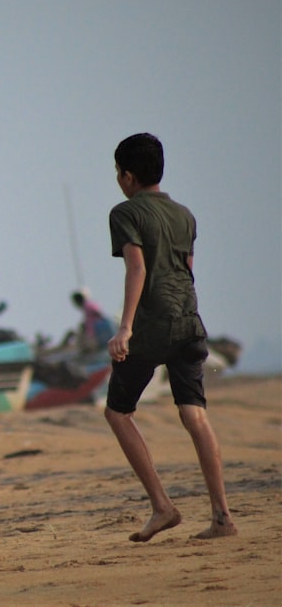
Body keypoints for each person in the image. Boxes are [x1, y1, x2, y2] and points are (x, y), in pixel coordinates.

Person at [105, 132, 237, 542]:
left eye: (117, 172)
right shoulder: (185, 215)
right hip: (189, 320)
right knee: (194, 414)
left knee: (117, 412)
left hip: (153, 324)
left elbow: (138, 270)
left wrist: (125, 327)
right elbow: (187, 270)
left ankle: (163, 507)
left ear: (128, 176)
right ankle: (222, 518)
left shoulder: (125, 213)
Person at [68, 288, 115, 353]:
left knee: (92, 346)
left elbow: (98, 313)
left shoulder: (88, 305)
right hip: (92, 331)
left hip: (95, 331)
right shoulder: (85, 306)